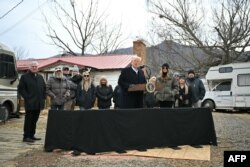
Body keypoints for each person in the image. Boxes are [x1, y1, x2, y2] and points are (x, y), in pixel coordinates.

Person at [18, 61, 46, 143]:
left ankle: (32, 135)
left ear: (38, 68)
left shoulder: (40, 77)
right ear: (30, 67)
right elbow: (21, 89)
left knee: (35, 120)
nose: (34, 68)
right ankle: (26, 136)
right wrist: (27, 97)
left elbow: (44, 88)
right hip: (30, 102)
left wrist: (43, 98)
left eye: (36, 66)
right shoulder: (24, 77)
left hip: (39, 102)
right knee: (28, 120)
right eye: (33, 66)